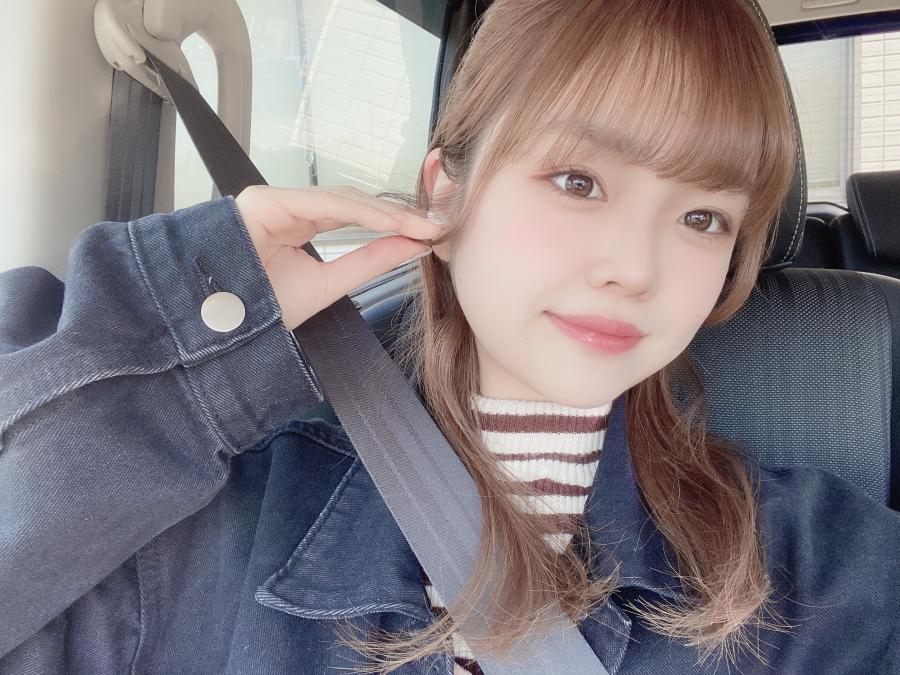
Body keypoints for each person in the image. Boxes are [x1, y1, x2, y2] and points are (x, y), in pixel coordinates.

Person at [1, 0, 899, 673]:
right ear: (445, 190)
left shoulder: (816, 566)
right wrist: (186, 341)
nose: (636, 268)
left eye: (703, 217)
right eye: (578, 181)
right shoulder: (201, 524)